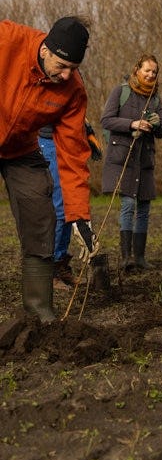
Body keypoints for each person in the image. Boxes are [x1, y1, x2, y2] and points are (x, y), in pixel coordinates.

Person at [0, 16, 98, 322]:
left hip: (21, 150)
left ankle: (39, 311)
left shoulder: (72, 90)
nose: (67, 75)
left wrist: (79, 216)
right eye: (62, 65)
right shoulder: (7, 41)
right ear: (45, 50)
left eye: (74, 68)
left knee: (41, 217)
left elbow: (72, 156)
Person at [100, 53, 162, 271]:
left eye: (154, 72)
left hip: (144, 160)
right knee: (128, 205)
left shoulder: (156, 99)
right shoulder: (121, 91)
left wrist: (156, 125)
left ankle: (139, 257)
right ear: (137, 70)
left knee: (144, 208)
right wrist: (132, 124)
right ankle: (125, 257)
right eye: (147, 70)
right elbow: (106, 120)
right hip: (123, 159)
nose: (150, 75)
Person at [39, 119, 103, 290]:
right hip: (50, 141)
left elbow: (73, 108)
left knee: (70, 208)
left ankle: (60, 265)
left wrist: (87, 131)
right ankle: (50, 272)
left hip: (67, 141)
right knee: (60, 208)